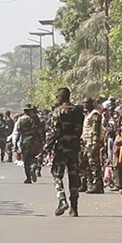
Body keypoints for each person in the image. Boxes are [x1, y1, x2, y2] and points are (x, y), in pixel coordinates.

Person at [47, 88, 85, 216]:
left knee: (57, 175)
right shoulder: (78, 111)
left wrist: (47, 147)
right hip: (75, 147)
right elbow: (80, 130)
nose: (56, 99)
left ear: (61, 97)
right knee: (73, 176)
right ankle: (74, 208)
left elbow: (54, 133)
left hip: (62, 148)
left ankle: (62, 200)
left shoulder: (58, 112)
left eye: (57, 96)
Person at [83, 97, 106, 194]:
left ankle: (97, 185)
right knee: (87, 164)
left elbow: (96, 130)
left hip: (92, 142)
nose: (85, 105)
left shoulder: (95, 114)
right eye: (84, 103)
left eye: (87, 103)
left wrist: (95, 143)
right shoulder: (88, 114)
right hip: (87, 141)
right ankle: (89, 184)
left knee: (94, 164)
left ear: (91, 104)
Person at [14, 105, 41, 183]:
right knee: (33, 157)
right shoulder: (35, 119)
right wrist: (41, 141)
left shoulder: (20, 120)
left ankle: (28, 178)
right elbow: (38, 131)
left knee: (26, 160)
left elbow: (18, 131)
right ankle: (33, 167)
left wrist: (16, 143)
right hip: (34, 140)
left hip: (24, 141)